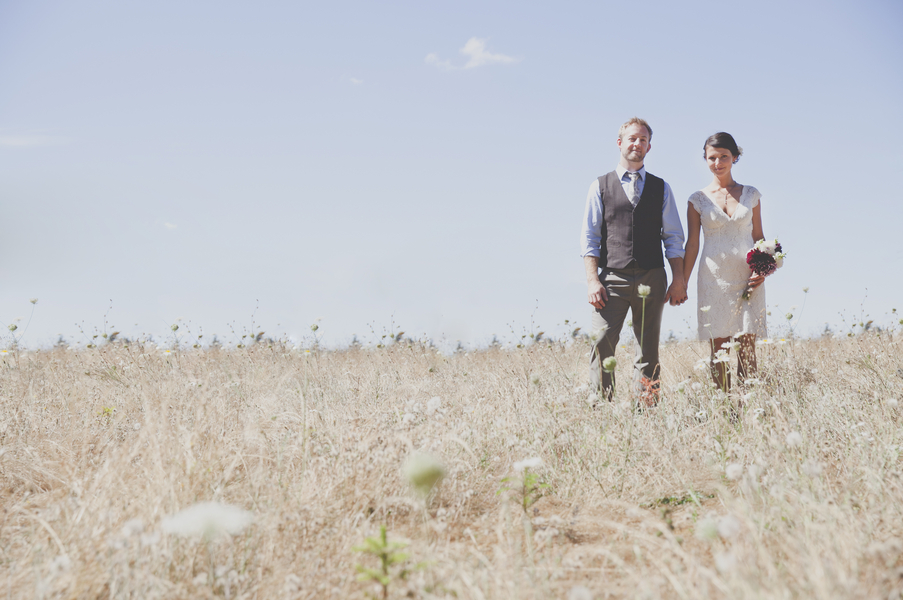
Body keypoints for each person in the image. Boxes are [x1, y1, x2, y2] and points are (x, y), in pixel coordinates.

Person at [580, 117, 687, 401]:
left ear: (649, 147)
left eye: (642, 140)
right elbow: (590, 238)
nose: (637, 143)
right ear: (620, 143)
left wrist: (679, 279)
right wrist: (592, 281)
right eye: (631, 138)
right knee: (601, 344)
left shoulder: (661, 187)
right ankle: (600, 409)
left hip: (652, 276)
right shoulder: (599, 186)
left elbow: (674, 237)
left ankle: (646, 411)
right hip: (612, 278)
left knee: (648, 350)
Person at [682, 132, 766, 391]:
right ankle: (724, 409)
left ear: (735, 157)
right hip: (713, 278)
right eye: (712, 158)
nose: (717, 163)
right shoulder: (697, 199)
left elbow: (759, 237)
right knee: (719, 348)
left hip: (747, 277)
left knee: (746, 345)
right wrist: (681, 283)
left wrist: (763, 269)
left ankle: (749, 407)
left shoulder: (751, 194)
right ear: (705, 160)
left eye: (724, 157)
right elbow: (692, 244)